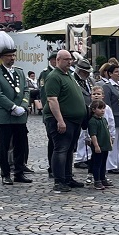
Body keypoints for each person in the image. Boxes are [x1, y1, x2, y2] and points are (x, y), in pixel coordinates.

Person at [42, 49, 88, 193]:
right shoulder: (54, 76)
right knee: (61, 149)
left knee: (69, 150)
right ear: (58, 60)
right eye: (66, 59)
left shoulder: (68, 74)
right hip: (61, 120)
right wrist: (60, 121)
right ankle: (59, 181)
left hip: (74, 120)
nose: (70, 62)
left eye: (71, 59)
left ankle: (68, 177)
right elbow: (52, 100)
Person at [0, 40, 32, 186]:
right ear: (1, 57)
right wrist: (12, 107)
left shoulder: (19, 71)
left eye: (13, 55)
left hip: (20, 115)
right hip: (6, 116)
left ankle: (19, 172)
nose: (12, 58)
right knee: (5, 146)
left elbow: (26, 90)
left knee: (21, 144)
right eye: (8, 56)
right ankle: (5, 173)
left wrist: (24, 106)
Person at [100, 62, 119, 174]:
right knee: (113, 141)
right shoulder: (107, 86)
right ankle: (111, 165)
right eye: (116, 72)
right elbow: (106, 104)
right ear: (109, 74)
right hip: (114, 116)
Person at [87, 99, 112, 190]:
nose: (102, 110)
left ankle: (102, 178)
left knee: (103, 163)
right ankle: (97, 180)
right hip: (99, 146)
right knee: (97, 164)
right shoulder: (93, 121)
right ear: (94, 110)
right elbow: (93, 135)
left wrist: (109, 141)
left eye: (103, 108)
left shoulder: (104, 120)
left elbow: (107, 132)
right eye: (100, 108)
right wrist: (96, 146)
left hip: (105, 145)